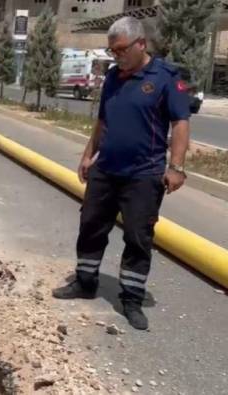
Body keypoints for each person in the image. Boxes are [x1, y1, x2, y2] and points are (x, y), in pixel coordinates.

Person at [51, 16, 191, 331]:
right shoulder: (114, 77)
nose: (116, 56)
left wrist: (177, 167)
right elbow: (102, 121)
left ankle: (131, 298)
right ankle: (85, 281)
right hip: (106, 169)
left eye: (121, 50)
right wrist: (88, 156)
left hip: (144, 174)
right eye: (112, 51)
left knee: (138, 237)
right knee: (90, 225)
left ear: (141, 43)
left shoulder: (166, 78)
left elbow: (180, 122)